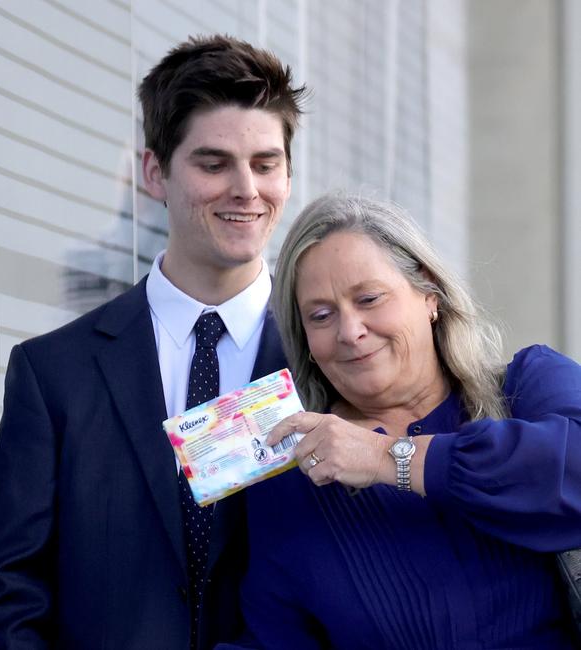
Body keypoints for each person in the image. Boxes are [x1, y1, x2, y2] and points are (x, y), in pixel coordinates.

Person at [0, 35, 307, 649]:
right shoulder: (54, 373)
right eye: (213, 163)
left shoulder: (330, 363)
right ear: (155, 173)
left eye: (265, 163)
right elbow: (4, 594)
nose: (246, 190)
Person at [229, 193, 581, 649]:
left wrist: (385, 458)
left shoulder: (528, 385)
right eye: (321, 315)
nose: (350, 331)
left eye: (369, 298)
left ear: (429, 292)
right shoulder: (294, 478)